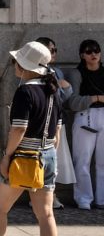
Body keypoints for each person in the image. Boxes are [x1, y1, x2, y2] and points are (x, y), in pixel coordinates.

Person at [0, 41, 60, 236]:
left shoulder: (24, 91)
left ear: (24, 65)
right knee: (46, 214)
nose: (14, 65)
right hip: (48, 154)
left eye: (16, 61)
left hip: (23, 157)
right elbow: (57, 131)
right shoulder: (53, 91)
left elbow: (19, 129)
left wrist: (6, 156)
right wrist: (51, 155)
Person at [65, 39, 104, 210]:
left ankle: (102, 200)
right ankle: (84, 199)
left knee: (103, 161)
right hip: (84, 117)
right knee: (82, 160)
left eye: (96, 50)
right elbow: (72, 102)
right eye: (89, 51)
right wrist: (96, 98)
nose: (93, 54)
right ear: (82, 55)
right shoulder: (76, 74)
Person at [35, 37, 74, 209]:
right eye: (51, 50)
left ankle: (51, 195)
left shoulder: (56, 71)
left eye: (55, 50)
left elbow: (63, 97)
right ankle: (38, 195)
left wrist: (66, 87)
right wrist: (63, 87)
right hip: (41, 121)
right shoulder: (34, 70)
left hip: (57, 120)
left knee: (55, 160)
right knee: (40, 159)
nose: (54, 53)